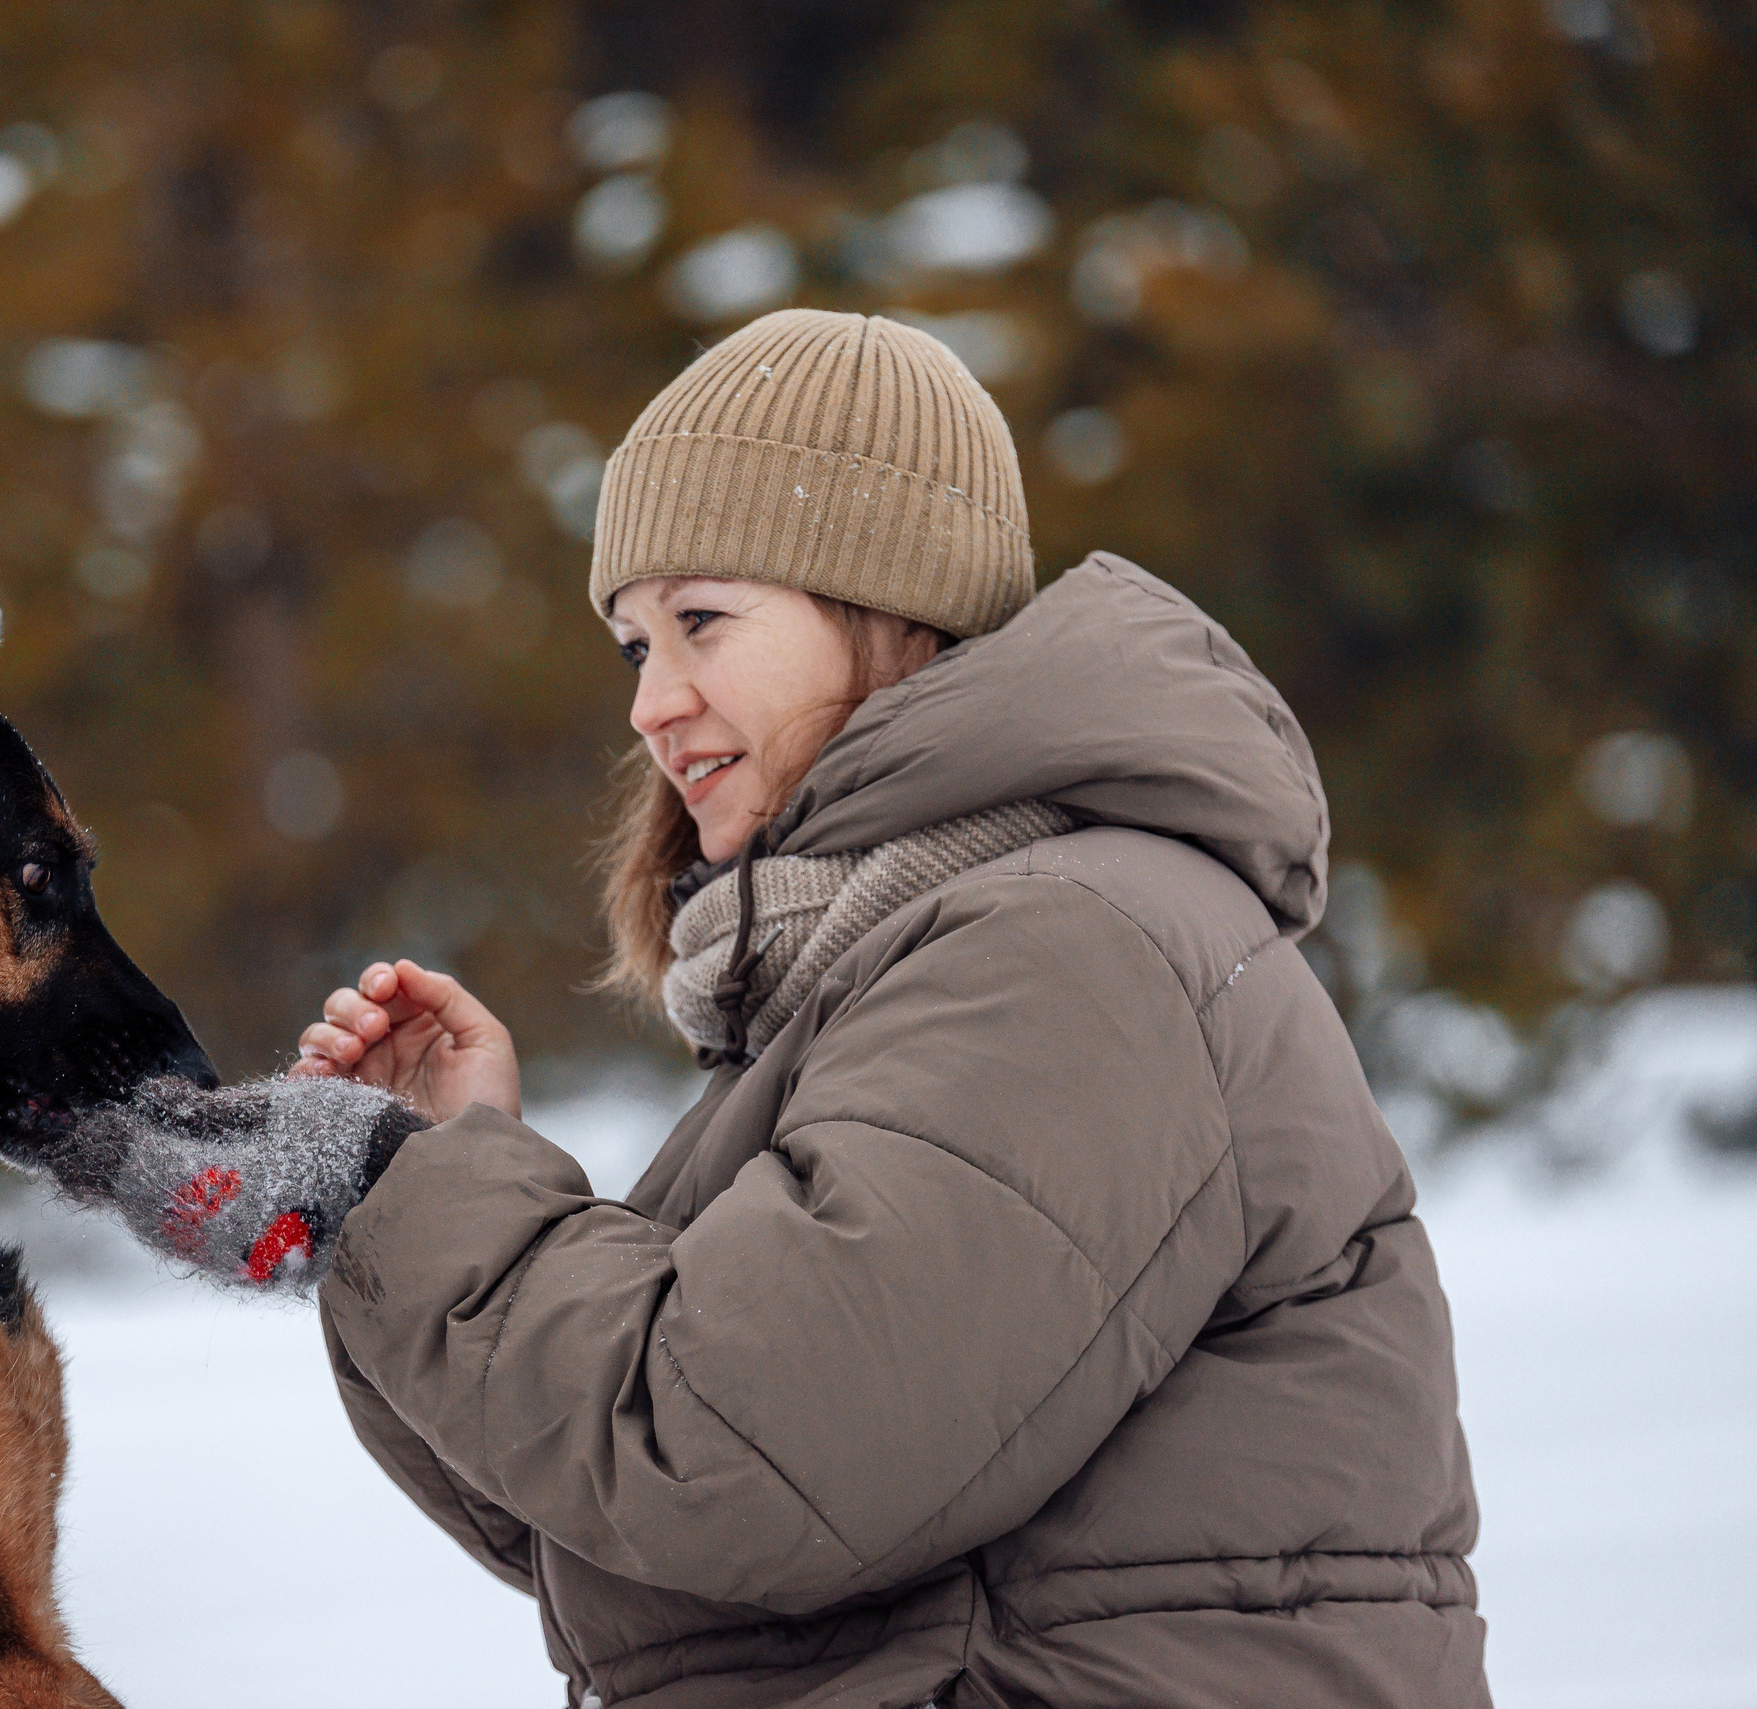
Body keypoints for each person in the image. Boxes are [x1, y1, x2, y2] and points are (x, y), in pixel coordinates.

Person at [293, 309, 1488, 1709]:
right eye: (632, 644)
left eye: (703, 622)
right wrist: (433, 1176)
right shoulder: (887, 966)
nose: (652, 703)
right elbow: (603, 1532)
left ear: (886, 606)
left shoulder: (1067, 952)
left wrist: (463, 1225)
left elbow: (740, 1454)